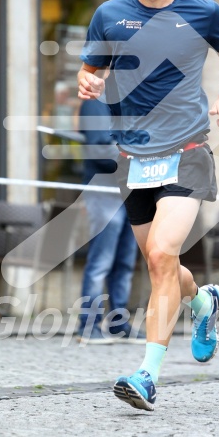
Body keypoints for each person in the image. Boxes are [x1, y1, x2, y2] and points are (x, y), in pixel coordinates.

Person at [77, 0, 219, 411]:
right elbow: (92, 69)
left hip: (187, 152)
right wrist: (89, 82)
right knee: (164, 262)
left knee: (160, 256)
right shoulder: (109, 15)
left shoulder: (203, 12)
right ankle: (202, 301)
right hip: (134, 159)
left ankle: (147, 375)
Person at [76, 98, 145, 345]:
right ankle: (89, 326)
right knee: (101, 261)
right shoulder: (96, 102)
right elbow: (98, 148)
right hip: (104, 192)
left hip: (130, 191)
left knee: (125, 263)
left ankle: (118, 324)